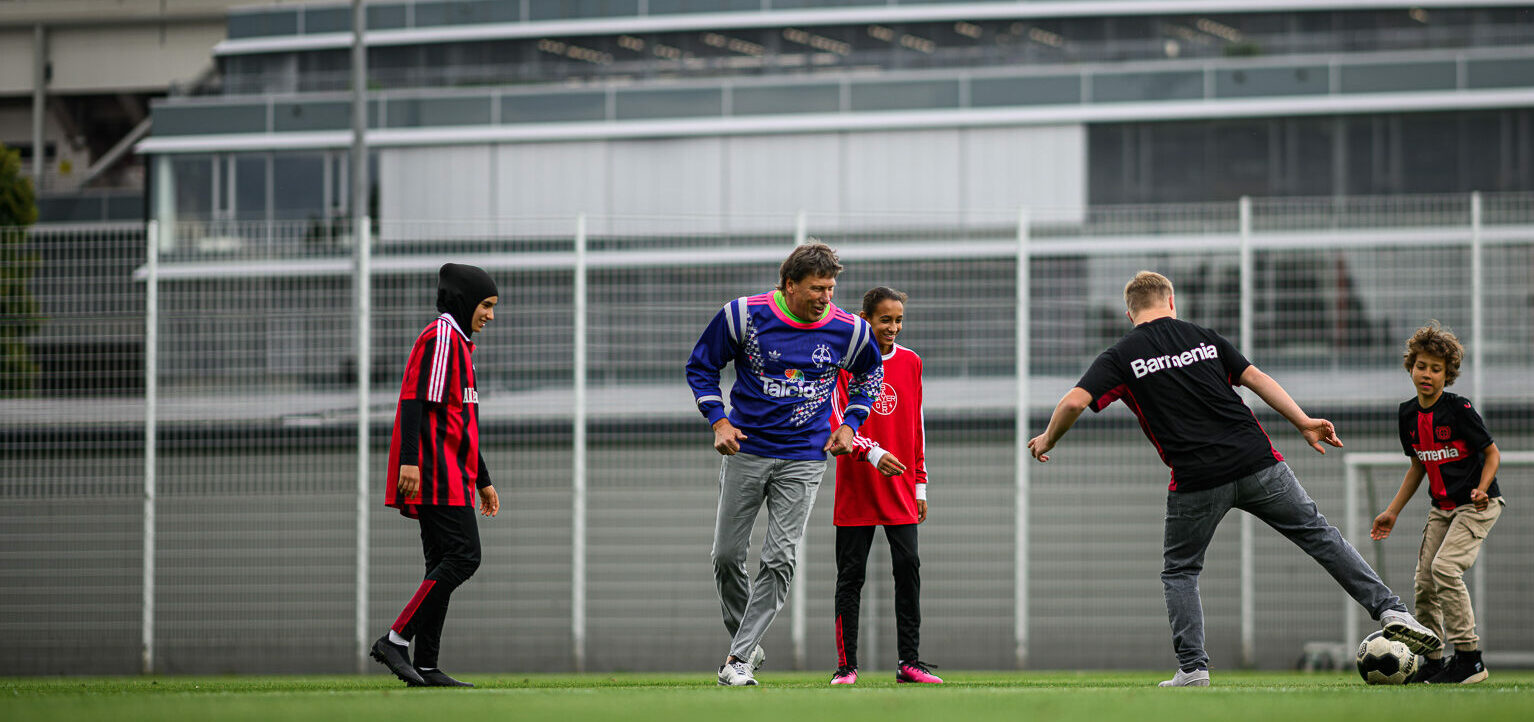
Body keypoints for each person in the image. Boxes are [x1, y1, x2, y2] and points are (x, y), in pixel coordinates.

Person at [1026, 270, 1441, 687]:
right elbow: (1256, 379)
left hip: (1196, 481)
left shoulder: (1120, 356)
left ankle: (1193, 668)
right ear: (1171, 302)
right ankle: (1392, 610)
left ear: (1129, 312)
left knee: (1180, 571)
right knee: (1321, 536)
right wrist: (1303, 422)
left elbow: (1075, 402)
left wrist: (1048, 438)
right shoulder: (1204, 337)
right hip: (1258, 463)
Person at [686, 242, 885, 686]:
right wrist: (718, 421)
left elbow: (871, 374)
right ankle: (749, 644)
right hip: (746, 450)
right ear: (789, 285)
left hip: (805, 457)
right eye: (817, 288)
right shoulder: (742, 316)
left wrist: (851, 423)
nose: (826, 298)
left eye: (831, 288)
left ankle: (736, 661)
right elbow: (701, 367)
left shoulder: (850, 330)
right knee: (726, 557)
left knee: (779, 558)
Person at [370, 263, 502, 688]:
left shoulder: (461, 344)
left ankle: (425, 665)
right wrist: (410, 461)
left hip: (454, 474)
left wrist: (482, 478)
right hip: (435, 474)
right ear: (464, 301)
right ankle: (395, 639)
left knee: (441, 563)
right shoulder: (442, 336)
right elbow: (414, 400)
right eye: (486, 305)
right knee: (465, 556)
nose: (490, 315)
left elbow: (461, 423)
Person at [1371, 321, 1503, 685]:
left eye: (1436, 369)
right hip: (1441, 509)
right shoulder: (1407, 414)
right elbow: (1418, 465)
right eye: (1421, 366)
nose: (1427, 374)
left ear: (1448, 375)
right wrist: (1392, 511)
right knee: (1425, 581)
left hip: (1477, 505)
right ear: (1410, 367)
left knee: (1445, 569)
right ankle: (1432, 660)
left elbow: (1492, 454)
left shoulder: (1459, 409)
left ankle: (1469, 658)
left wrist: (1481, 487)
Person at [827, 287, 942, 685]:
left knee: (908, 568)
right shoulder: (843, 365)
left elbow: (916, 426)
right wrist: (872, 453)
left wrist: (920, 484)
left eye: (898, 321)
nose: (892, 328)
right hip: (857, 486)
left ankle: (908, 662)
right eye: (885, 320)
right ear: (865, 319)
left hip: (900, 489)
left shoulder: (911, 362)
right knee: (850, 576)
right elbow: (837, 417)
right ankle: (847, 667)